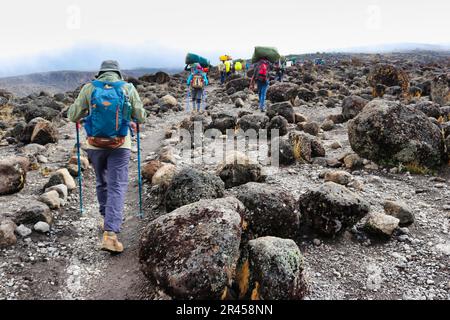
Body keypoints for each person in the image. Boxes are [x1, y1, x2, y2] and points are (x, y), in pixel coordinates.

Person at [68, 60, 147, 254]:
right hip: (121, 144)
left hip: (95, 145)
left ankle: (106, 217)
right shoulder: (127, 88)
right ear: (118, 73)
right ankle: (110, 235)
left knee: (101, 181)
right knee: (117, 185)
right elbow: (141, 116)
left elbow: (73, 115)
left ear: (101, 73)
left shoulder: (89, 88)